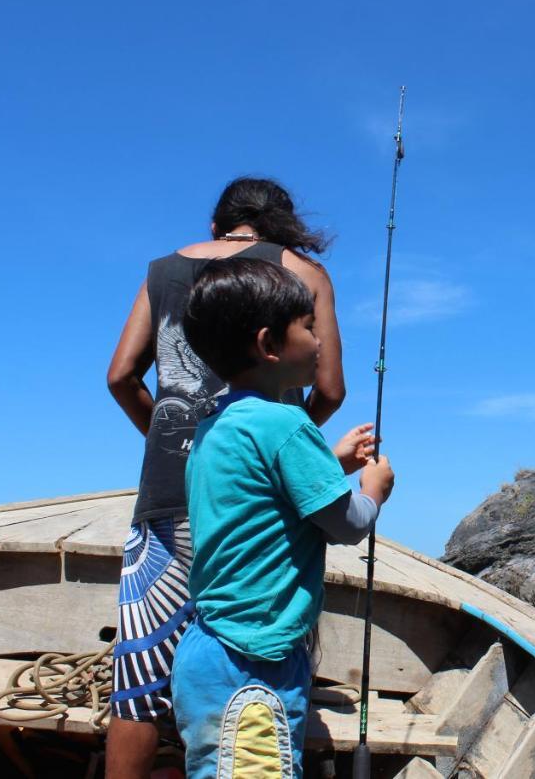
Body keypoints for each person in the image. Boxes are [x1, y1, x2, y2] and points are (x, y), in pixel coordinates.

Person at [104, 178, 348, 778]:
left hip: (166, 494)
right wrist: (292, 464)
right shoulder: (303, 273)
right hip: (263, 508)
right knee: (258, 654)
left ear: (220, 225)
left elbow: (120, 376)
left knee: (138, 676)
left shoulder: (162, 270)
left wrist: (190, 455)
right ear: (283, 227)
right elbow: (332, 390)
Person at [172, 257, 395, 777]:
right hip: (257, 657)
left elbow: (260, 493)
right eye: (309, 327)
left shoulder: (217, 427)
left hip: (209, 649)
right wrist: (373, 490)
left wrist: (331, 464)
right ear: (271, 344)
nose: (320, 341)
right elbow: (349, 524)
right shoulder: (287, 423)